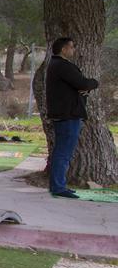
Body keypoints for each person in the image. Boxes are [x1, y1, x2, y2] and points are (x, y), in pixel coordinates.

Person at [45, 37, 99, 198]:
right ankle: (58, 187)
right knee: (63, 152)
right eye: (72, 47)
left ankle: (58, 184)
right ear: (64, 49)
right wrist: (93, 83)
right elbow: (82, 83)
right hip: (68, 114)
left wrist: (83, 89)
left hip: (64, 113)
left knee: (62, 151)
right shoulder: (62, 65)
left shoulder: (55, 65)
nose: (73, 50)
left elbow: (76, 87)